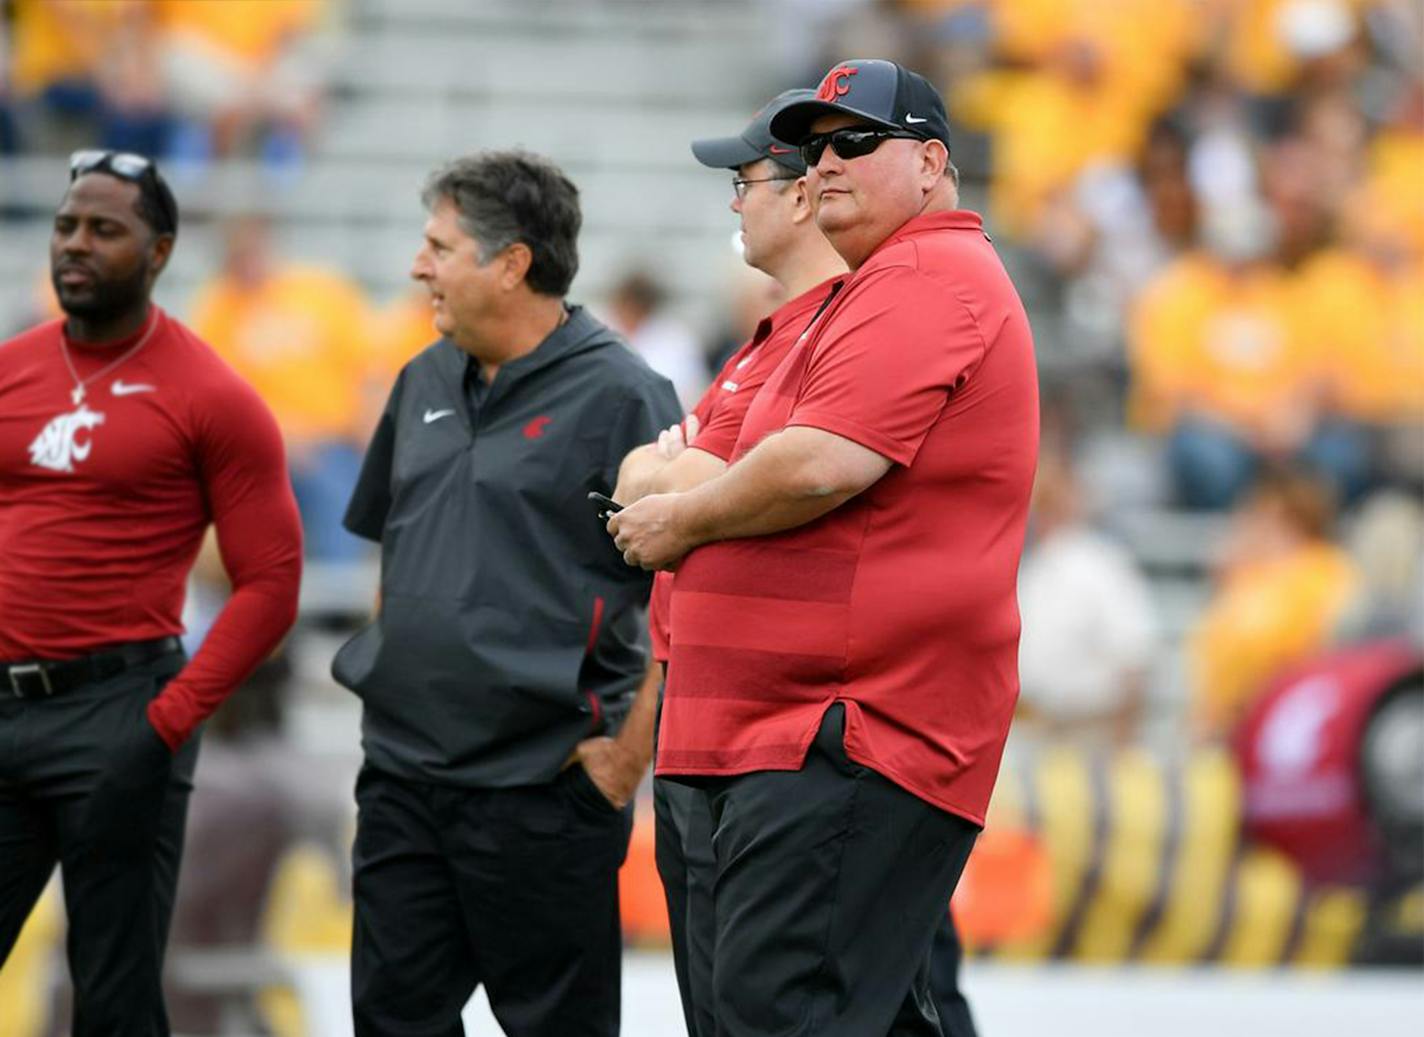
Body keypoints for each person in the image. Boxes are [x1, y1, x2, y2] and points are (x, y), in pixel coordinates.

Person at [610, 59, 1038, 1036]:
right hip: (777, 732)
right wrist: (709, 483)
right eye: (813, 147)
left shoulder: (928, 275)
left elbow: (809, 466)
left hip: (843, 727)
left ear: (930, 163)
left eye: (853, 141)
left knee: (783, 1013)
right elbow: (696, 466)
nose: (824, 164)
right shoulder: (851, 302)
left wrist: (684, 516)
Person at [331, 151, 680, 1036]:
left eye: (440, 246)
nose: (420, 267)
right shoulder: (419, 381)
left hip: (544, 790)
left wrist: (621, 765)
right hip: (404, 780)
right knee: (390, 1022)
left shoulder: (625, 396)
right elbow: (394, 551)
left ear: (512, 263)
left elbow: (684, 596)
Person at [0, 150, 302, 1035]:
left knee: (115, 994)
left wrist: (169, 720)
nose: (76, 245)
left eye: (105, 229)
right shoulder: (11, 368)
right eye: (65, 227)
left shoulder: (211, 392)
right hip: (6, 701)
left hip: (121, 711)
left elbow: (272, 584)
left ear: (161, 250)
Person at [612, 87, 848, 1037]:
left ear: (801, 197)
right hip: (705, 724)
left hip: (779, 738)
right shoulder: (764, 338)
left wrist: (680, 470)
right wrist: (677, 471)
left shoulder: (836, 329)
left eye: (744, 181)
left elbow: (688, 478)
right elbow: (638, 481)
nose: (733, 201)